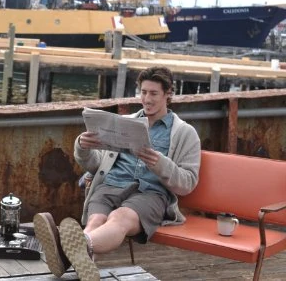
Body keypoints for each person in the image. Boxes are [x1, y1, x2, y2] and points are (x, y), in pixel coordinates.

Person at [33, 66, 201, 280]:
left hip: (150, 194)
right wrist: (82, 147)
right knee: (95, 221)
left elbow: (187, 184)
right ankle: (79, 254)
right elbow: (96, 165)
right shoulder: (124, 122)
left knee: (119, 218)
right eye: (143, 92)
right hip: (111, 184)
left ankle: (72, 248)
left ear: (168, 94)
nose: (147, 99)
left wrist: (160, 164)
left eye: (153, 93)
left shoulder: (185, 133)